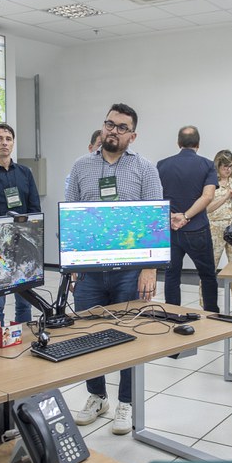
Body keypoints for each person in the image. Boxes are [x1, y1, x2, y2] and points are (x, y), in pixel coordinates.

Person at [66, 103, 162, 435]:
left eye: (121, 127)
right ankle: (97, 396)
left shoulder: (145, 169)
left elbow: (154, 222)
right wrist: (73, 263)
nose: (113, 131)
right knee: (88, 334)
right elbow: (72, 218)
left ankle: (126, 402)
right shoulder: (81, 167)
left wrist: (149, 269)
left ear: (132, 136)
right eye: (109, 124)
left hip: (130, 270)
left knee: (128, 336)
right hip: (91, 272)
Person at [0, 123, 41, 327]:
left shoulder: (25, 173)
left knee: (25, 301)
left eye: (8, 139)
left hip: (23, 245)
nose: (4, 142)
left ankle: (26, 336)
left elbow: (34, 208)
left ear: (13, 143)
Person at [157, 126, 219, 314]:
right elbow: (207, 196)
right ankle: (211, 315)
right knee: (207, 275)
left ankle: (173, 314)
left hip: (170, 229)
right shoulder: (208, 165)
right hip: (197, 230)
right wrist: (186, 216)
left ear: (178, 144)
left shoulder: (162, 165)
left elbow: (154, 195)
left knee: (171, 274)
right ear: (198, 144)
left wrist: (171, 216)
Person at [206, 149, 232, 312]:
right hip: (215, 228)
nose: (228, 170)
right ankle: (207, 307)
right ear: (218, 165)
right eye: (225, 166)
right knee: (209, 268)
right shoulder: (210, 182)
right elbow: (207, 208)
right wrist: (225, 197)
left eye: (231, 166)